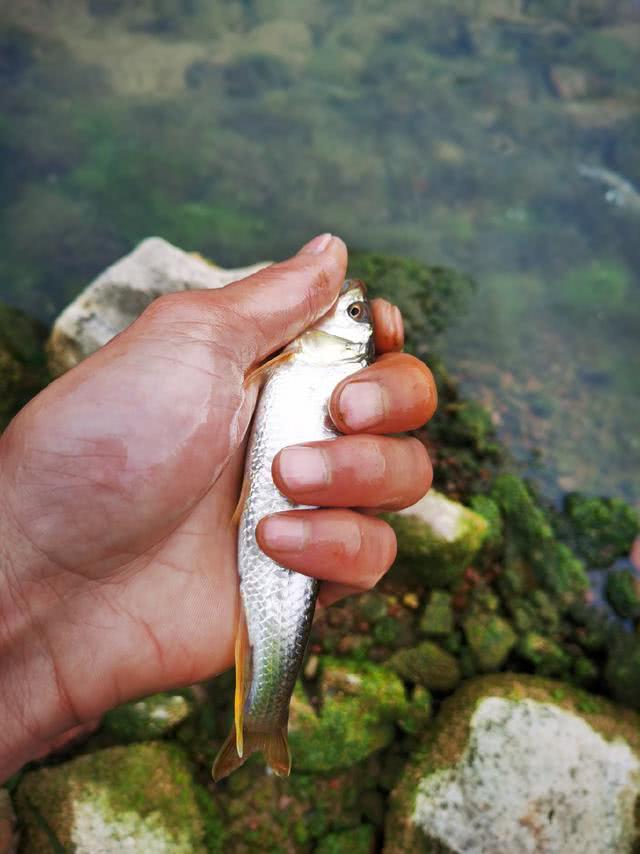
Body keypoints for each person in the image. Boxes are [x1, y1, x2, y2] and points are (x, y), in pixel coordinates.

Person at [0, 234, 436, 780]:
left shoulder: (309, 361)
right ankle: (262, 721)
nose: (347, 305)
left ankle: (262, 717)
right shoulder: (296, 356)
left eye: (351, 314)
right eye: (355, 311)